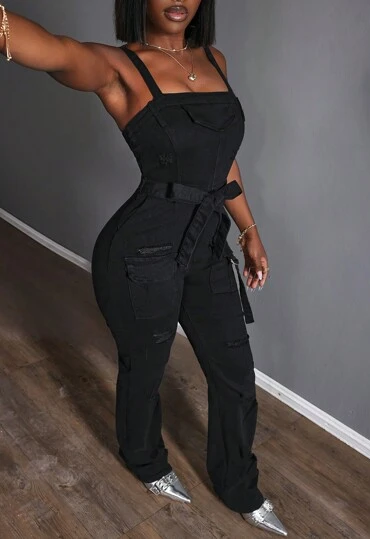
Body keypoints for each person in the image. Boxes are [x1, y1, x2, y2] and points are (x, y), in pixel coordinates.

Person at [1, 1, 288, 535]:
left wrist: (249, 229)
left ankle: (238, 485)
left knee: (235, 375)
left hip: (206, 246)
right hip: (141, 252)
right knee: (146, 368)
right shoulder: (118, 68)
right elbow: (54, 51)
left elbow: (220, 157)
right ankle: (144, 459)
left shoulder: (216, 60)